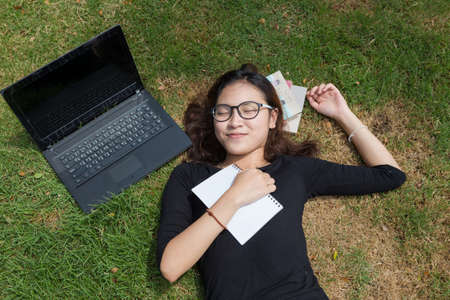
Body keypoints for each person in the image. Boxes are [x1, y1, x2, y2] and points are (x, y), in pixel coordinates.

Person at [156, 64, 406, 299]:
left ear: (273, 118)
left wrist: (343, 114)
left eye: (249, 109)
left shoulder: (295, 170)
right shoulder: (190, 177)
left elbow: (390, 175)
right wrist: (233, 198)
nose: (235, 121)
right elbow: (170, 266)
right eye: (224, 111)